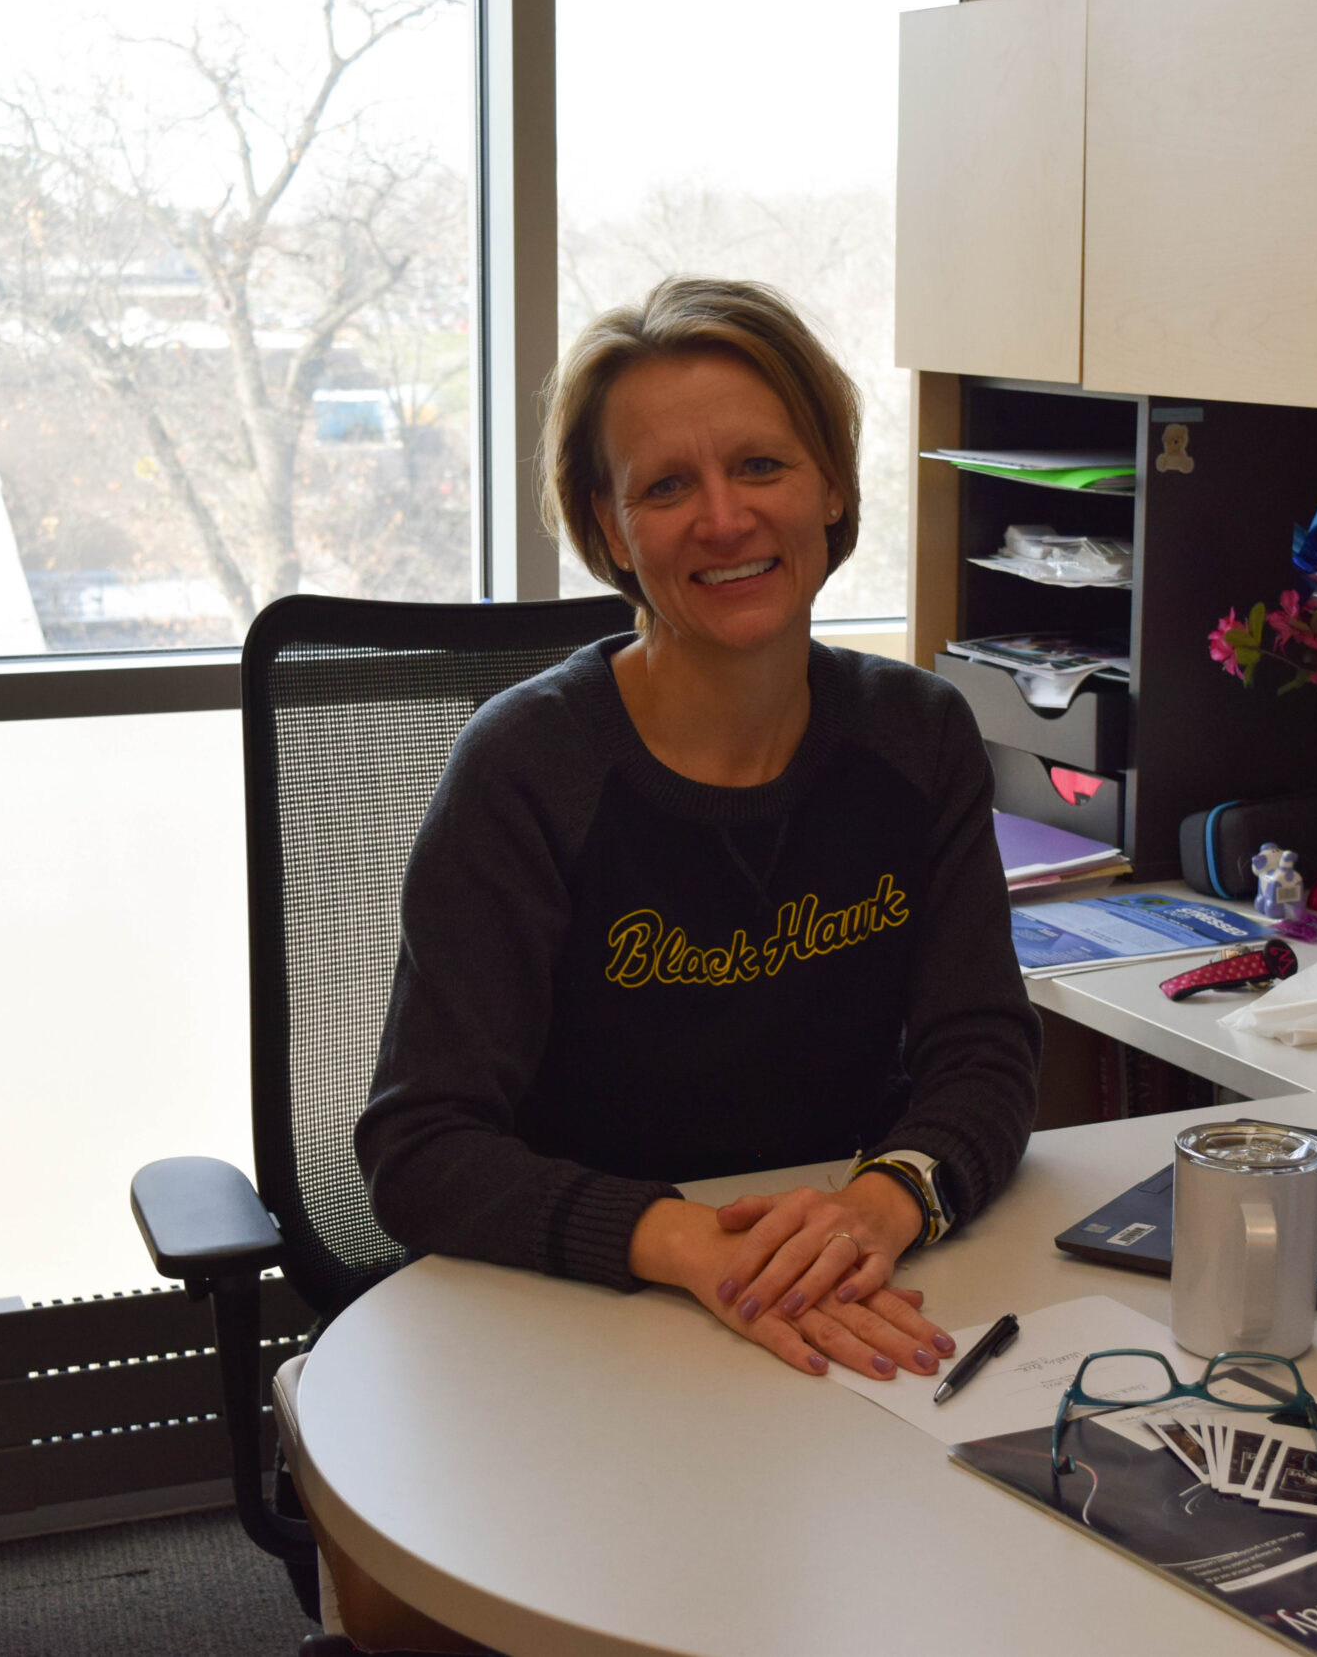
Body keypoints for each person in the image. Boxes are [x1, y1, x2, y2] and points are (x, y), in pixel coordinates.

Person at [331, 277, 1040, 1646]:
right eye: (666, 486)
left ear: (832, 486)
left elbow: (982, 1049)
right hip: (578, 1334)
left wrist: (888, 1200)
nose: (725, 519)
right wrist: (688, 1247)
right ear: (609, 528)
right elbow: (418, 1144)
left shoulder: (921, 740)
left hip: (842, 1323)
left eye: (763, 464)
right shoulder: (528, 770)